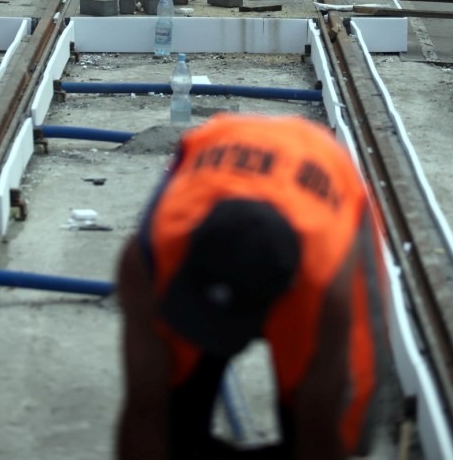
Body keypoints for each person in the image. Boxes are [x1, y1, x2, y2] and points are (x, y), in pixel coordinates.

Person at [116, 112, 388, 460]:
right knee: (170, 415)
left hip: (322, 166)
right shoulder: (150, 258)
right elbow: (143, 408)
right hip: (221, 141)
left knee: (344, 423)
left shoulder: (325, 287)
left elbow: (321, 433)